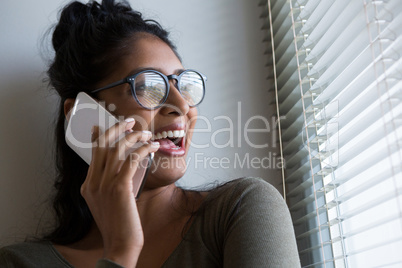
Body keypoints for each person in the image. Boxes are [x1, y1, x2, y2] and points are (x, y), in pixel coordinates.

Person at [0, 0, 300, 267]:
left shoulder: (241, 211)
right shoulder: (19, 262)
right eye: (149, 86)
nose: (182, 105)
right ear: (82, 115)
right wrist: (121, 251)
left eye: (184, 85)